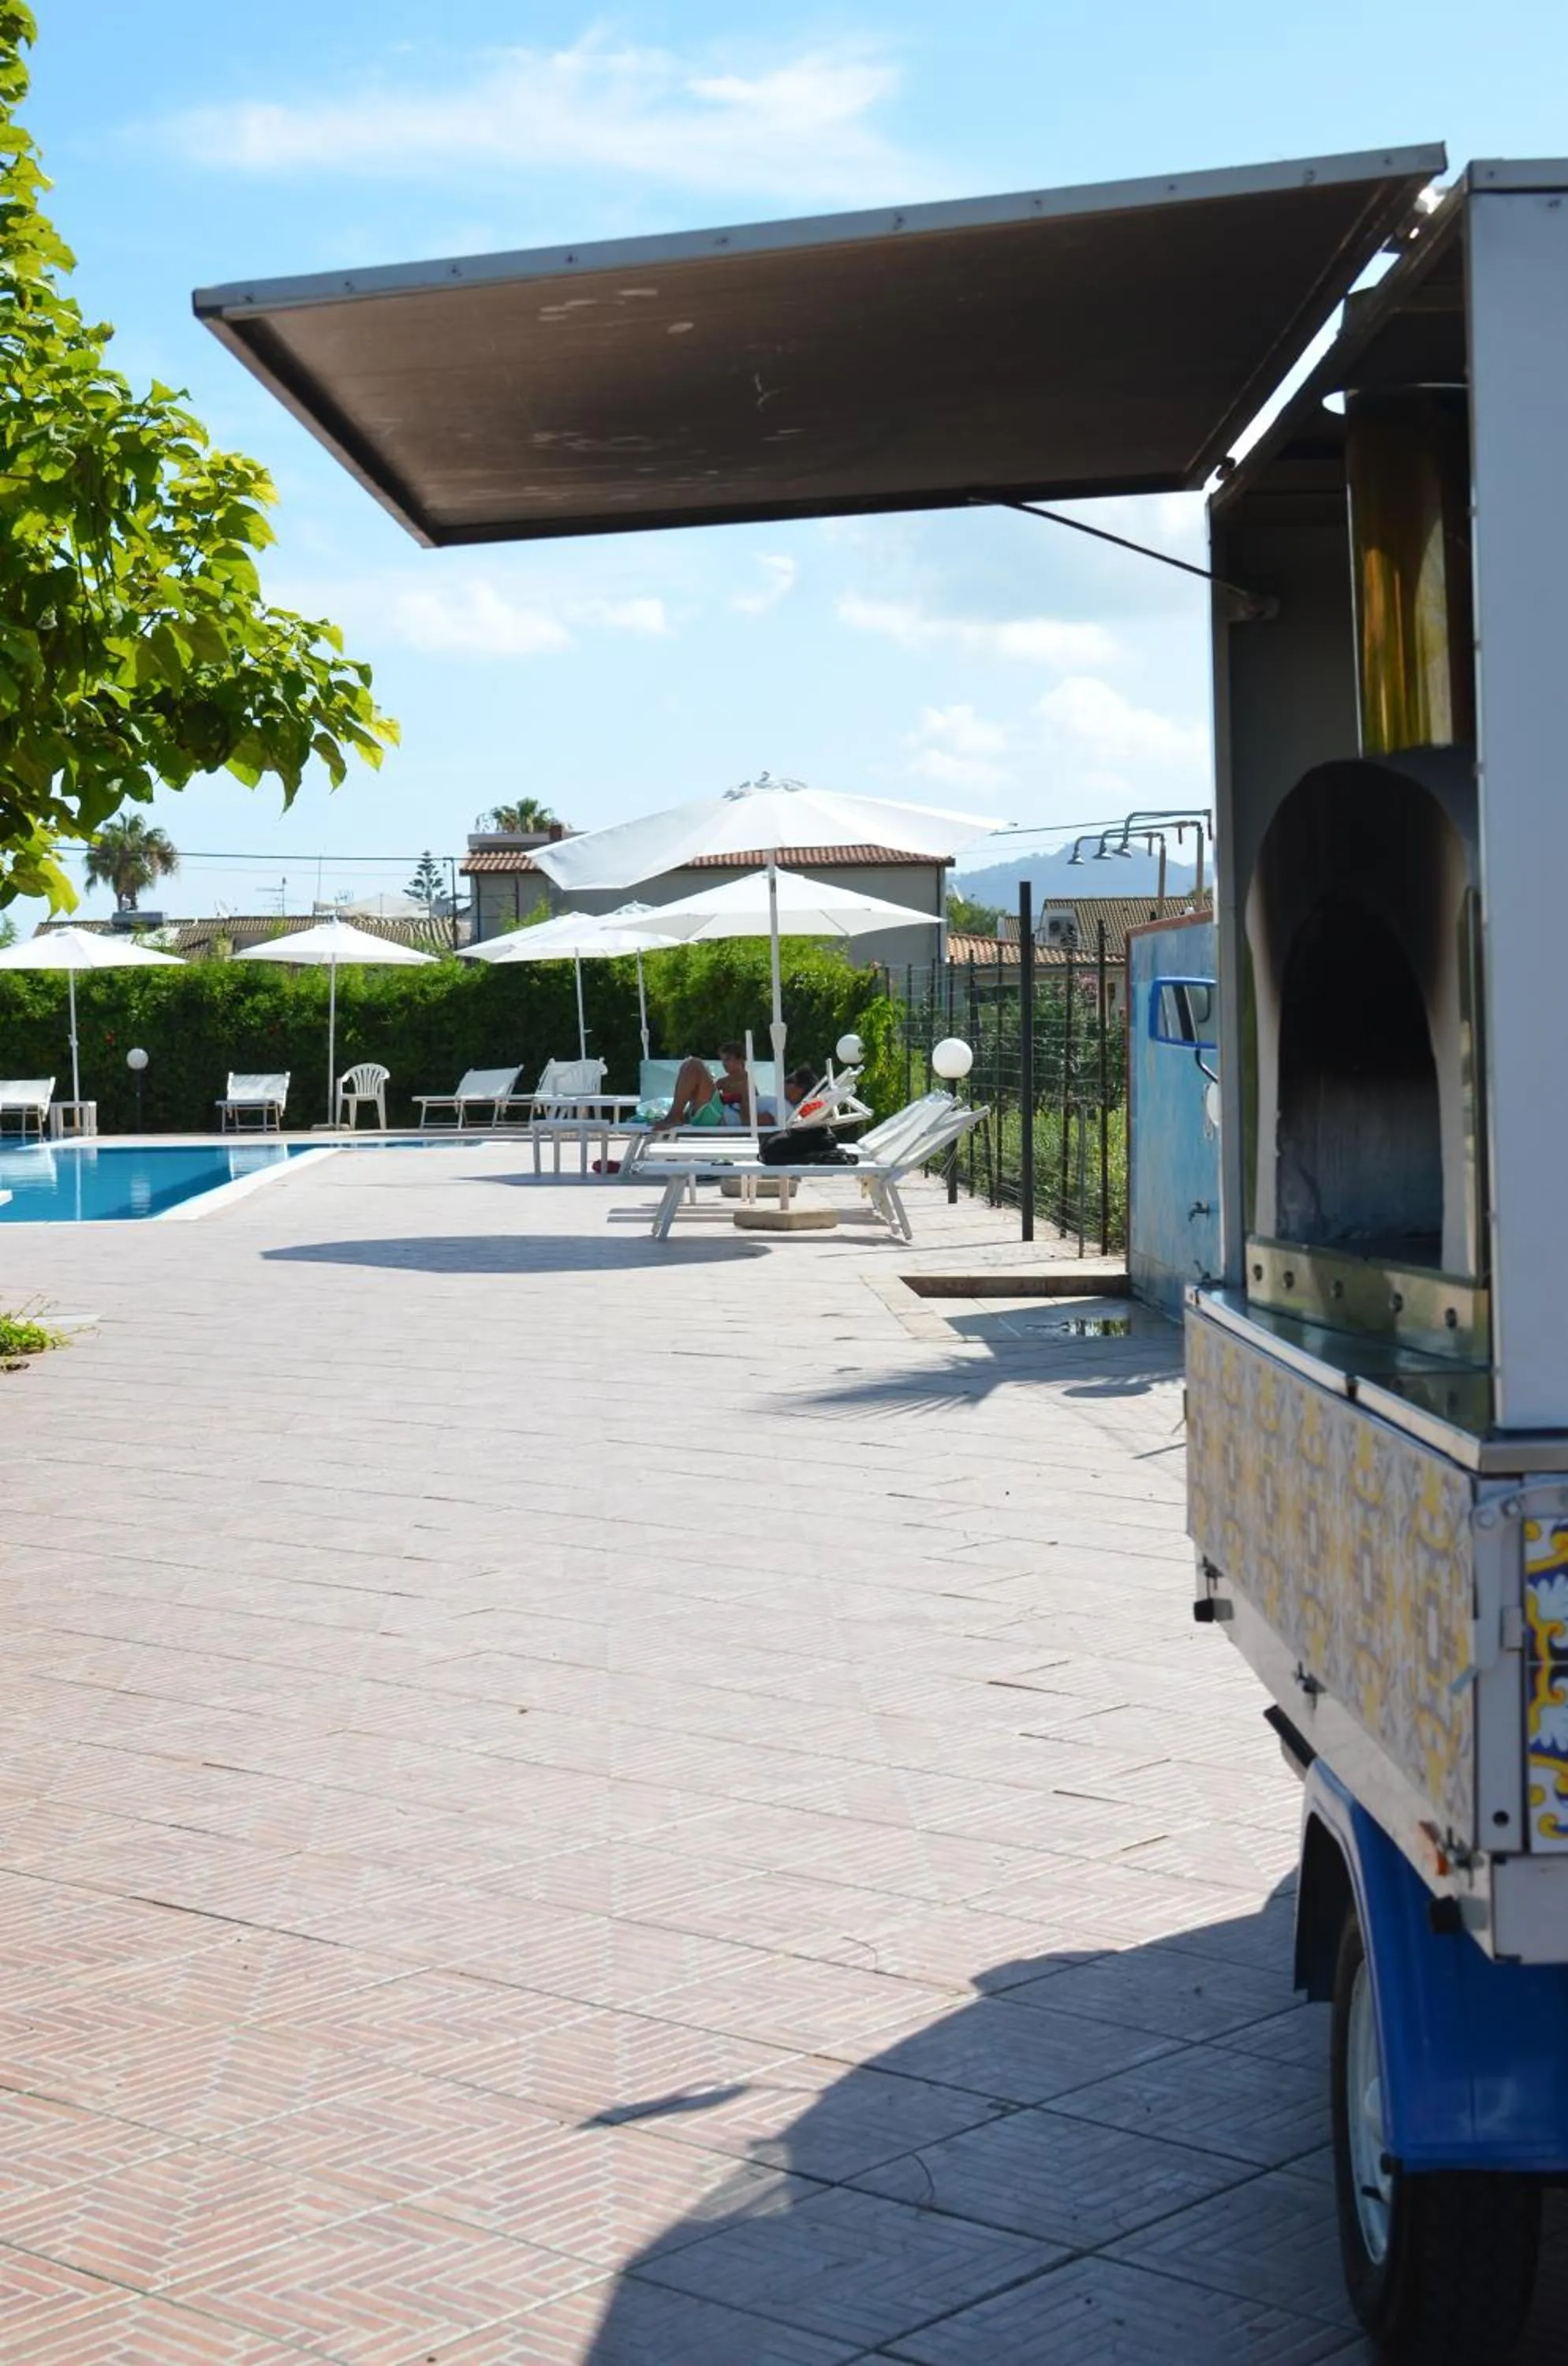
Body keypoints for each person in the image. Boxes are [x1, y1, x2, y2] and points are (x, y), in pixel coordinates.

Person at [660, 1041, 755, 1130]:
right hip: (711, 1113)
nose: (724, 1064)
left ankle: (674, 1116)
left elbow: (749, 1113)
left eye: (728, 1059)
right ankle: (679, 1116)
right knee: (689, 1065)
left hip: (720, 1117)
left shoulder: (747, 1083)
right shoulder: (723, 1082)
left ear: (740, 1060)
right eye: (722, 1060)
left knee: (694, 1064)